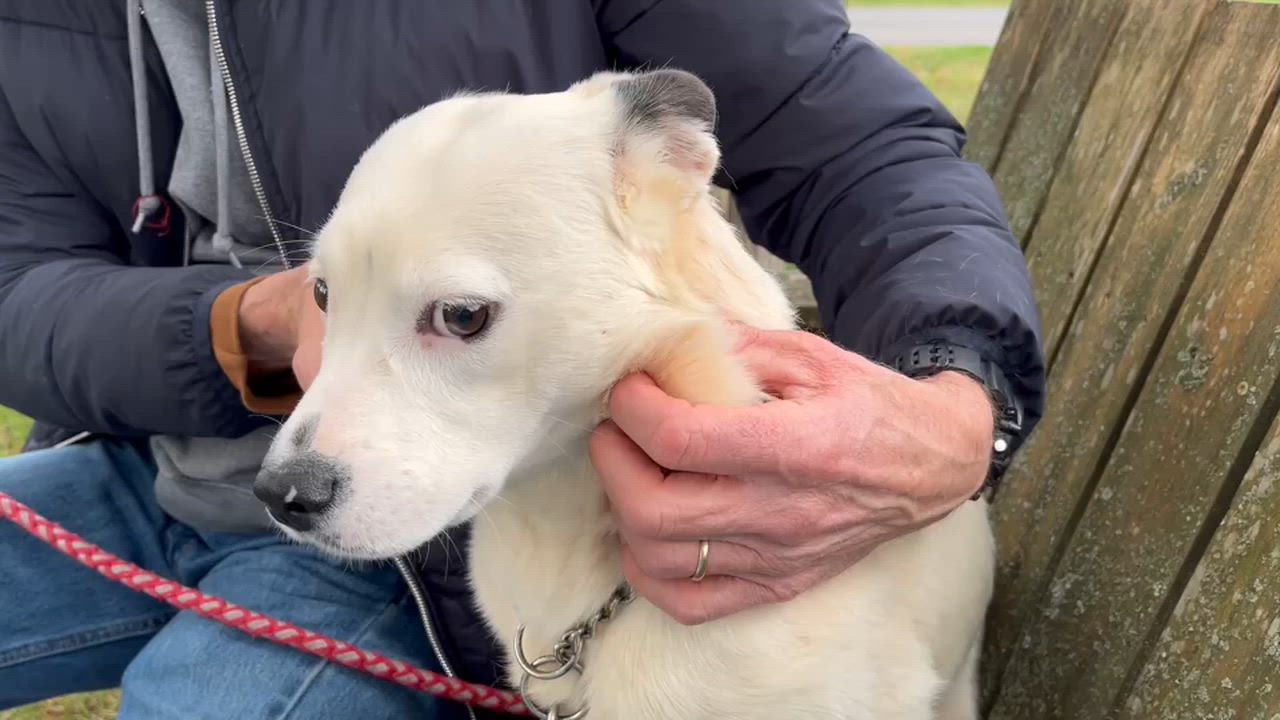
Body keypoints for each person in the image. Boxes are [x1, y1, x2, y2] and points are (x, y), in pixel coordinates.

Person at [0, 2, 1045, 718]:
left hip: (442, 557)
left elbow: (860, 152)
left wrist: (956, 399)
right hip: (151, 467)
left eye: (457, 313)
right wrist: (247, 322)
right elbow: (17, 293)